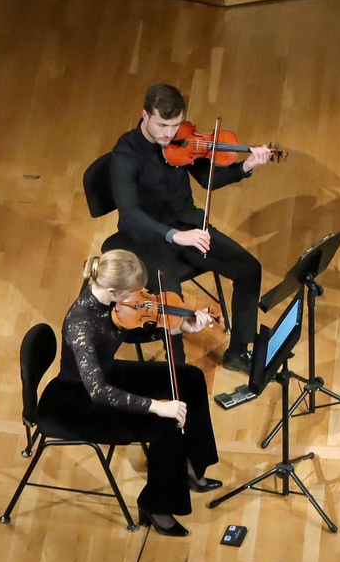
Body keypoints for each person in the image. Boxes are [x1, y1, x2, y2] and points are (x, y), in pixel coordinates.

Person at [38, 250, 222, 537]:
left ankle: (190, 466)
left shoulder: (109, 298)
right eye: (133, 294)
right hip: (80, 402)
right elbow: (98, 392)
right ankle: (157, 505)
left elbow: (131, 323)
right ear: (112, 292)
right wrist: (157, 406)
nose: (140, 299)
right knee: (166, 422)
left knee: (192, 378)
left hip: (107, 375)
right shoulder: (80, 324)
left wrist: (177, 326)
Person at [109, 82, 275, 370]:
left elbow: (209, 180)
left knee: (249, 268)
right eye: (162, 125)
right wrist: (176, 236)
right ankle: (180, 375)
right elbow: (130, 215)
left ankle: (238, 352)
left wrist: (245, 167)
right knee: (172, 301)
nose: (169, 134)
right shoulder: (126, 154)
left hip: (187, 225)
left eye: (175, 125)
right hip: (146, 239)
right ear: (145, 115)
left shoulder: (181, 140)